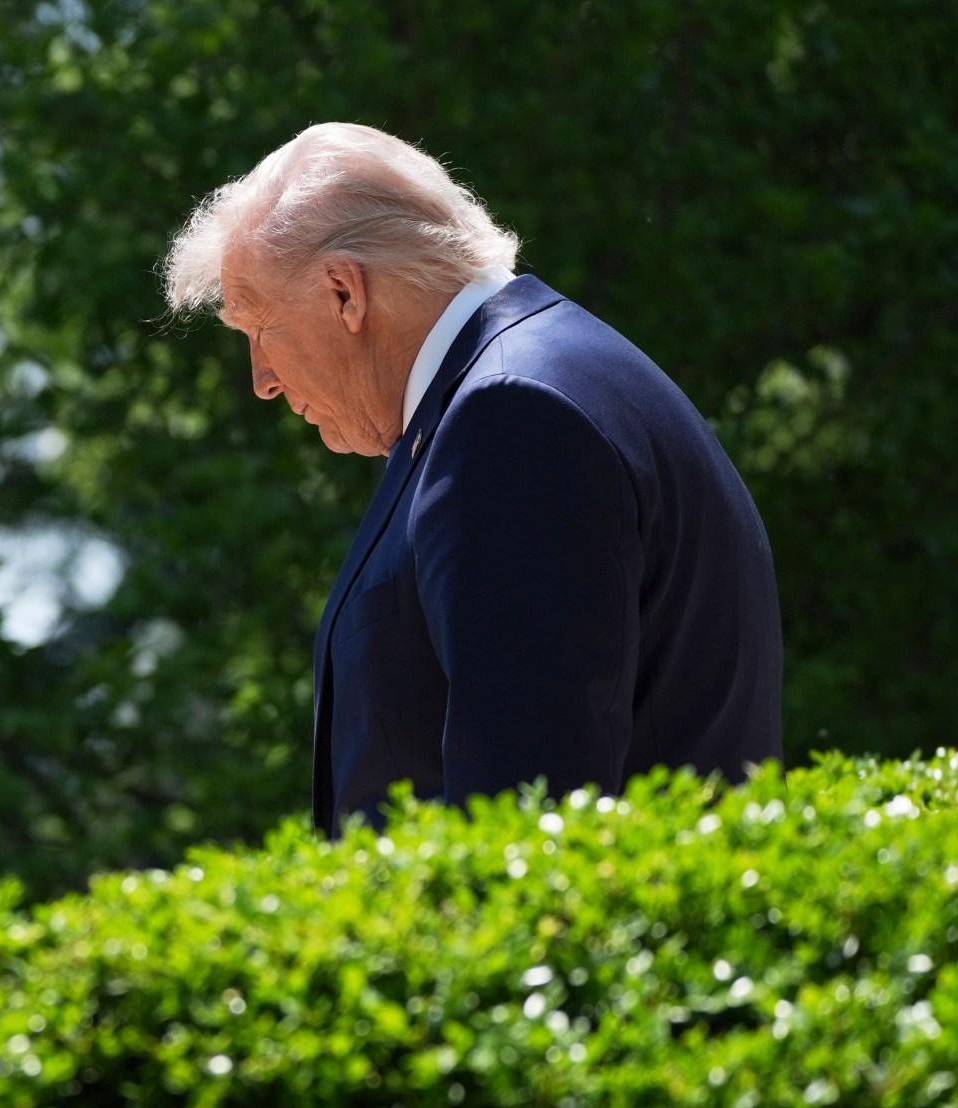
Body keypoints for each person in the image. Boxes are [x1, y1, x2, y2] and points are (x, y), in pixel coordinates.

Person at [162, 122, 783, 832]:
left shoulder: (512, 418)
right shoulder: (527, 386)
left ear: (344, 292)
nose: (261, 381)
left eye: (256, 328)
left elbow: (525, 820)